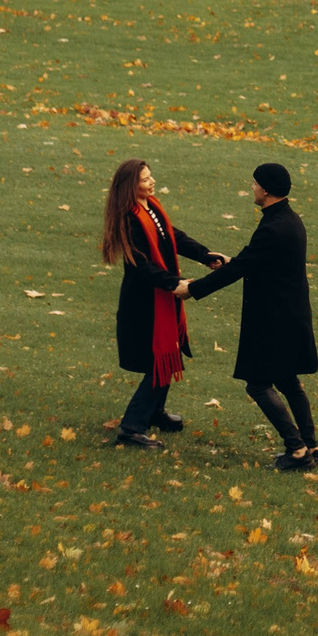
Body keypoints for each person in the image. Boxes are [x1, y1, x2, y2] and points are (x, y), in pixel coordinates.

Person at [179, 160, 318, 470]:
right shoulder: (288, 219)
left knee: (257, 384)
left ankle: (297, 450)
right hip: (290, 316)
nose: (252, 188)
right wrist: (233, 261)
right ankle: (310, 445)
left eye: (255, 183)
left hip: (273, 320)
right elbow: (259, 261)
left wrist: (193, 289)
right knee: (287, 380)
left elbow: (244, 267)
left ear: (266, 190)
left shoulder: (273, 227)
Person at [99, 158, 224, 450]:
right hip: (143, 304)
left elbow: (172, 236)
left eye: (150, 176)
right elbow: (140, 267)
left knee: (168, 355)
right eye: (145, 179)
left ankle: (154, 412)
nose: (152, 181)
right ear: (131, 186)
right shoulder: (130, 220)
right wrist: (173, 283)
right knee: (159, 362)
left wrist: (204, 255)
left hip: (160, 298)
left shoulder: (151, 208)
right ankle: (132, 428)